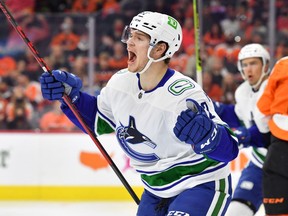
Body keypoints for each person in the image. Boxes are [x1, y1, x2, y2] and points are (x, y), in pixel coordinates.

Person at [39, 11, 239, 215]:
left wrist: (209, 138)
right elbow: (97, 121)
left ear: (160, 49)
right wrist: (71, 98)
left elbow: (229, 150)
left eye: (139, 38)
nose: (129, 43)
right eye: (130, 35)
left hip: (200, 184)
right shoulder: (120, 82)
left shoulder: (183, 94)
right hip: (155, 190)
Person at [213, 43, 271, 216]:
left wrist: (243, 136)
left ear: (265, 65)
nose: (248, 69)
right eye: (244, 65)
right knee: (236, 212)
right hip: (259, 163)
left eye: (253, 63)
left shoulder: (274, 89)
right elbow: (239, 117)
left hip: (281, 164)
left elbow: (267, 133)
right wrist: (215, 108)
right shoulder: (243, 92)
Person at [255, 56, 288, 215]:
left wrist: (266, 136)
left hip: (281, 141)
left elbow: (262, 111)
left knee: (277, 210)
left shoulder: (284, 64)